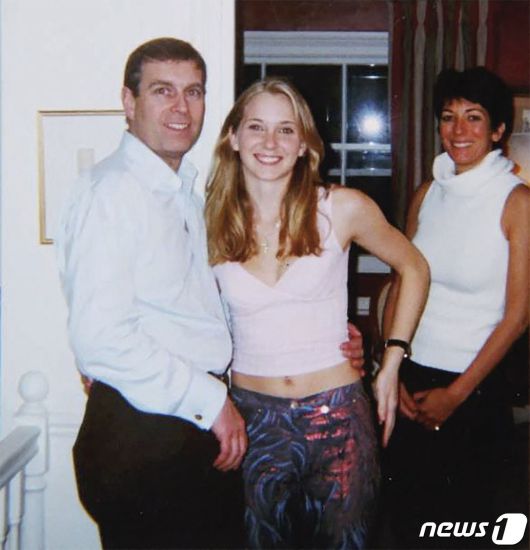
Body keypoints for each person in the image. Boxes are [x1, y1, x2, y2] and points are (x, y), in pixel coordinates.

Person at [55, 38, 364, 550]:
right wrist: (210, 400)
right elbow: (100, 338)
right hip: (148, 432)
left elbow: (202, 309)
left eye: (193, 92)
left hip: (186, 427)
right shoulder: (111, 192)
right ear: (129, 102)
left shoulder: (185, 194)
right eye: (163, 91)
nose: (181, 107)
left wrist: (329, 334)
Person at [204, 77, 430, 549]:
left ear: (304, 144)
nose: (270, 142)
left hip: (339, 420)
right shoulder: (208, 220)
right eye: (256, 127)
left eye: (286, 130)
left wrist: (391, 363)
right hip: (252, 422)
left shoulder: (341, 208)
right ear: (233, 137)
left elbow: (414, 267)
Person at [381, 67, 529, 549]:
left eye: (474, 117)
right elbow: (401, 283)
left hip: (474, 389)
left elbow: (519, 316)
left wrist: (457, 394)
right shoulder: (428, 193)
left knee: (461, 529)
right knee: (406, 524)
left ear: (498, 130)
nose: (458, 130)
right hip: (411, 378)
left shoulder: (518, 203)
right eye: (448, 117)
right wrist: (392, 369)